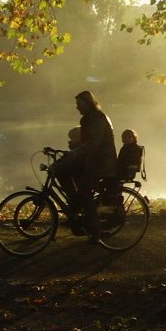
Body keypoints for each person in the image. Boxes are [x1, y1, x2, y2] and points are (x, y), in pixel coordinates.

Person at [69, 90, 117, 237]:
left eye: (79, 104)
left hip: (102, 161)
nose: (77, 107)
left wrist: (77, 152)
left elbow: (94, 143)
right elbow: (85, 143)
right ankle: (76, 213)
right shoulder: (86, 119)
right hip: (92, 159)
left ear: (88, 104)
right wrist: (74, 149)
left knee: (84, 192)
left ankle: (96, 231)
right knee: (65, 171)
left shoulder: (98, 118)